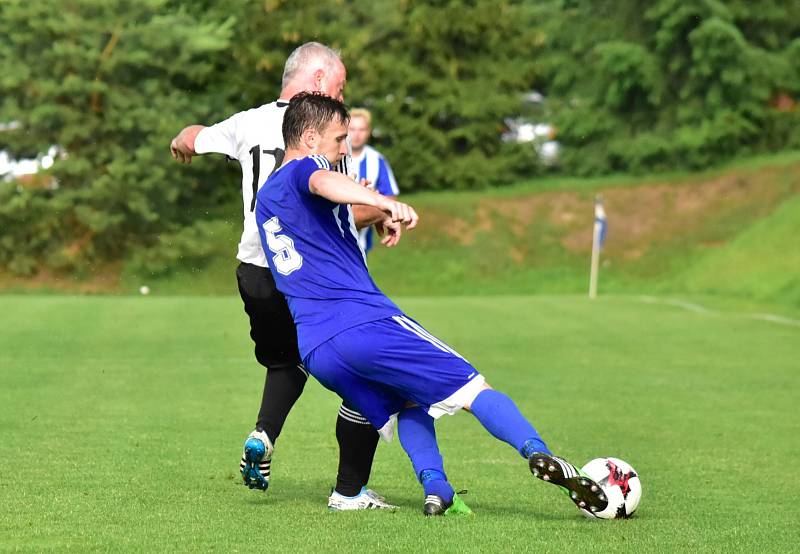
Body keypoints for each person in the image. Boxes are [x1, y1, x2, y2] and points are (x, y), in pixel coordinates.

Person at [254, 92, 609, 516]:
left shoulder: (267, 197)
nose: (345, 149)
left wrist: (372, 216)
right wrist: (380, 200)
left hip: (316, 347)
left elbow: (319, 223)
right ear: (310, 138)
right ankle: (539, 451)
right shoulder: (310, 167)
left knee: (407, 399)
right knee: (475, 388)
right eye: (339, 139)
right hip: (363, 323)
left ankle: (435, 488)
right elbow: (319, 181)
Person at [169, 43, 394, 510]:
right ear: (316, 80)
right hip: (308, 277)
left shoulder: (246, 122)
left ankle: (263, 434)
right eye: (339, 84)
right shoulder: (326, 133)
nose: (342, 94)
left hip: (253, 272)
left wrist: (182, 141)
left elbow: (193, 137)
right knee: (365, 371)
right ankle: (350, 491)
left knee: (284, 363)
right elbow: (339, 215)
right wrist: (383, 211)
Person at [346, 108, 400, 254]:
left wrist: (373, 204)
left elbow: (390, 198)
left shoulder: (377, 160)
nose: (356, 135)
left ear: (369, 131)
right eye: (352, 129)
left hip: (361, 240)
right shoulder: (335, 156)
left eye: (361, 129)